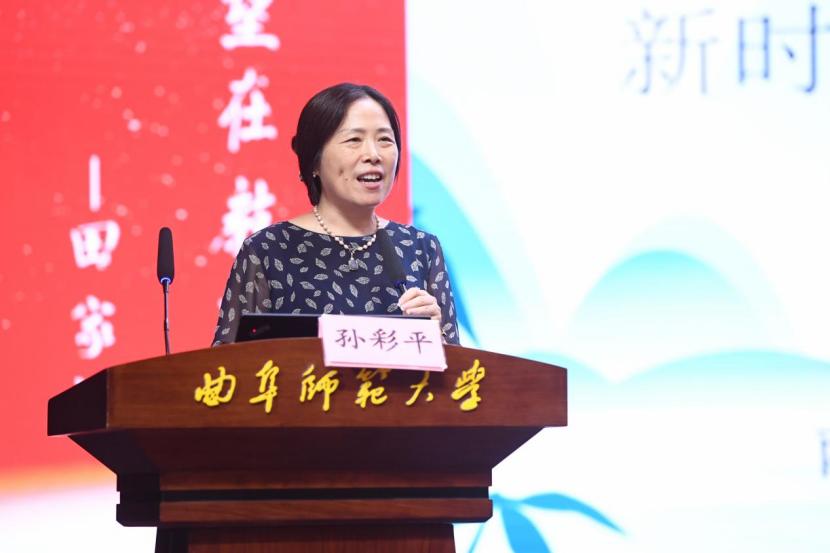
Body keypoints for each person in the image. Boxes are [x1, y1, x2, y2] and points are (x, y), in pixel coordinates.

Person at [212, 83, 459, 346]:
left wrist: (437, 338)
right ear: (314, 160)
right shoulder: (267, 249)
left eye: (385, 140)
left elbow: (462, 368)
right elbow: (228, 362)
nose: (373, 155)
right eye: (354, 140)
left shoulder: (420, 248)